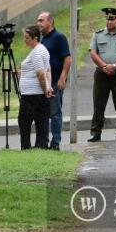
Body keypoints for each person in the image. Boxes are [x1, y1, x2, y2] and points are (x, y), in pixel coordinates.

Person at [88, 7, 116, 142]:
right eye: (107, 19)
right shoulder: (98, 34)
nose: (109, 21)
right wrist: (104, 66)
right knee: (99, 104)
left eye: (112, 19)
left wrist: (115, 66)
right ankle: (96, 132)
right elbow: (93, 53)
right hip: (101, 74)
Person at [37, 12, 71, 150]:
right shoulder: (41, 39)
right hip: (44, 82)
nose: (38, 23)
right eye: (37, 20)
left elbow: (67, 58)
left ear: (50, 22)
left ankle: (55, 142)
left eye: (41, 20)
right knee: (44, 113)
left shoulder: (59, 37)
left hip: (55, 81)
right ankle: (43, 141)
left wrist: (63, 78)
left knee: (55, 113)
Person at [18, 25, 53, 149]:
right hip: (35, 93)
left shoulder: (37, 52)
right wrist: (48, 87)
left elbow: (40, 73)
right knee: (41, 122)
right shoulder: (41, 50)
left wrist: (45, 89)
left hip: (32, 95)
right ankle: (41, 146)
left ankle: (27, 147)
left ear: (35, 38)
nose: (24, 40)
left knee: (25, 123)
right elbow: (48, 70)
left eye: (27, 38)